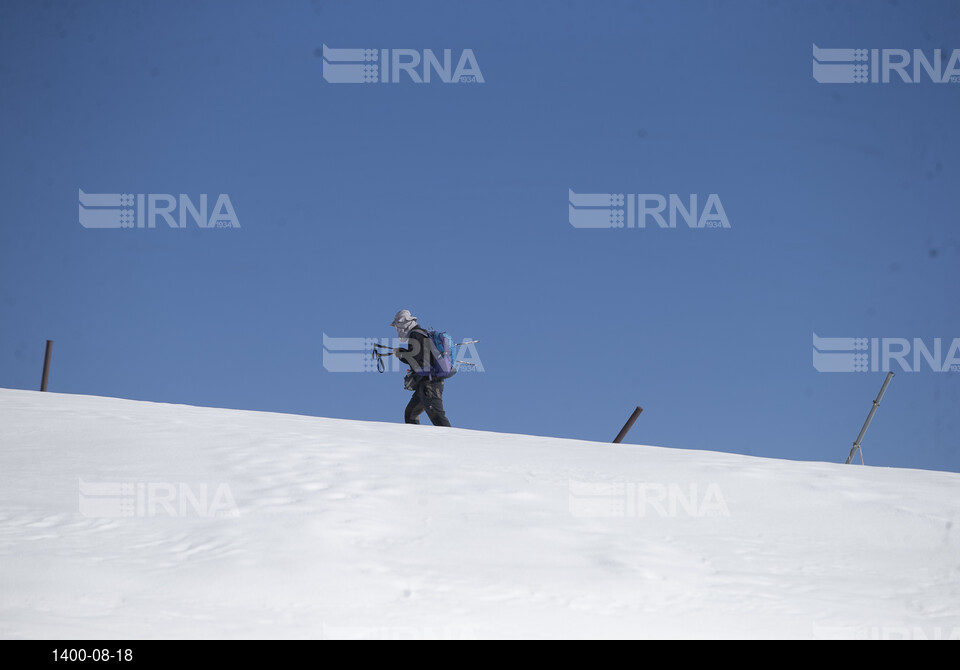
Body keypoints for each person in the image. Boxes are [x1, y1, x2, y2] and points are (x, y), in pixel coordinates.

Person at [390, 309, 451, 427]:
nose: (397, 329)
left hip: (430, 385)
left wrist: (399, 354)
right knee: (410, 413)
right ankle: (416, 442)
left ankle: (456, 443)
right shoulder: (422, 333)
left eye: (397, 326)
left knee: (438, 418)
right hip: (427, 383)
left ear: (403, 323)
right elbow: (422, 359)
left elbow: (416, 362)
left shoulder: (415, 334)